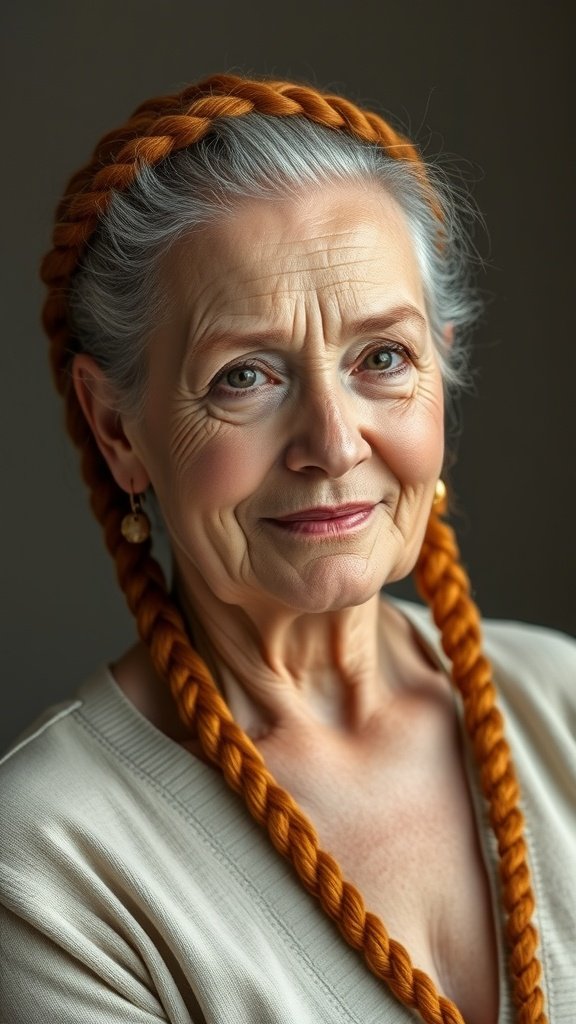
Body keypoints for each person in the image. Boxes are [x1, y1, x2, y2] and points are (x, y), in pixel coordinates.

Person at [0, 73, 574, 1024]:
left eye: (381, 358)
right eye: (244, 376)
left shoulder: (560, 701)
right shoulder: (49, 863)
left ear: (442, 368)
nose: (334, 443)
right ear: (118, 432)